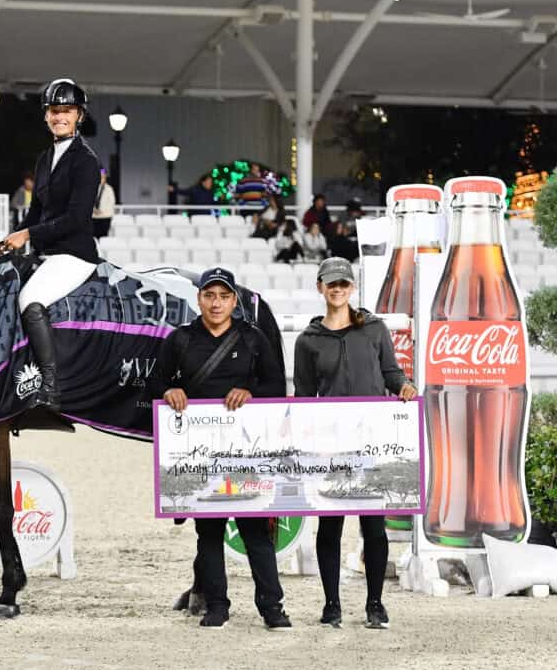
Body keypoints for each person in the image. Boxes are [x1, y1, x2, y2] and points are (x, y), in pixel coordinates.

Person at [151, 267, 291, 631]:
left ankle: (272, 608)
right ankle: (217, 606)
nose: (216, 303)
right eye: (210, 295)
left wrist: (251, 393)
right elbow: (153, 384)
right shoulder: (179, 340)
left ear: (234, 300)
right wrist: (169, 391)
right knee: (208, 534)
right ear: (199, 298)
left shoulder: (254, 339)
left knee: (255, 532)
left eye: (224, 296)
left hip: (245, 452)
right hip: (200, 454)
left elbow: (277, 386)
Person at [292, 257, 417, 630]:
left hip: (372, 440)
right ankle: (332, 604)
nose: (337, 289)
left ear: (351, 288)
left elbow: (391, 372)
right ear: (320, 287)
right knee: (329, 526)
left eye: (343, 284)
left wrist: (404, 386)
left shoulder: (375, 330)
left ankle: (375, 604)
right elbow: (303, 397)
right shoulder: (307, 342)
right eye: (331, 284)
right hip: (331, 446)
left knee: (374, 527)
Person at [0, 78, 101, 412]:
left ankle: (51, 387)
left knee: (30, 298)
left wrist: (28, 236)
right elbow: (37, 212)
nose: (59, 117)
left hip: (74, 253)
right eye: (54, 111)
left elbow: (77, 218)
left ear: (79, 115)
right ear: (46, 116)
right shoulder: (44, 159)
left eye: (66, 111)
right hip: (47, 253)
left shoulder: (85, 160)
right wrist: (10, 240)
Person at [92, 167, 116, 238]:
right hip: (93, 218)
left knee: (103, 238)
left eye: (102, 177)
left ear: (105, 178)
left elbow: (111, 204)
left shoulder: (109, 189)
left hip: (105, 217)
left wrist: (100, 211)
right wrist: (93, 209)